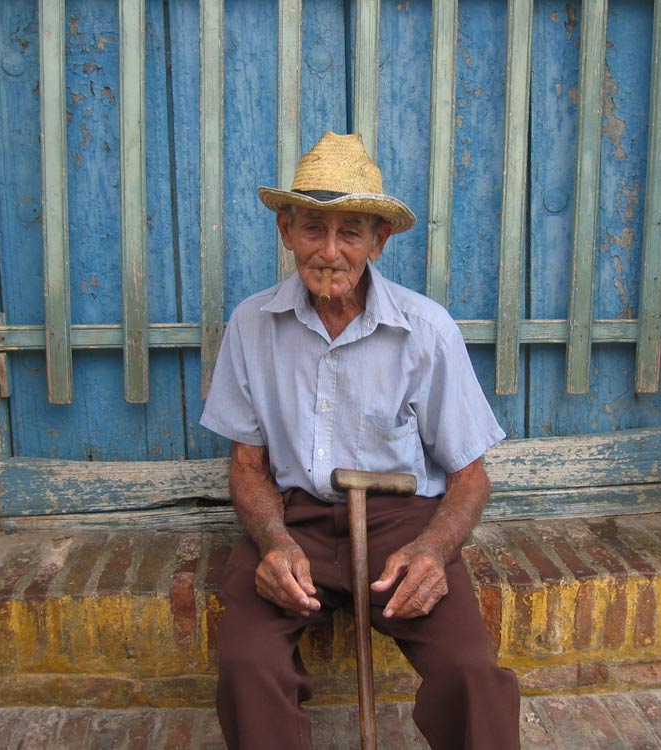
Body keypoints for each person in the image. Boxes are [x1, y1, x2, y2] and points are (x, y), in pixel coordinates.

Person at [200, 131, 521, 750]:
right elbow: (246, 467)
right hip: (294, 521)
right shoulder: (250, 325)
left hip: (402, 523)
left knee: (471, 673)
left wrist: (433, 549)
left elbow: (470, 477)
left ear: (380, 240)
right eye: (313, 228)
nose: (330, 251)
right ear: (285, 232)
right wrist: (272, 541)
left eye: (351, 232)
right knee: (248, 666)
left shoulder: (426, 330)